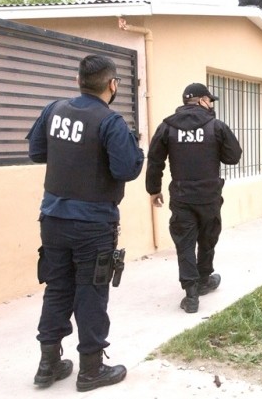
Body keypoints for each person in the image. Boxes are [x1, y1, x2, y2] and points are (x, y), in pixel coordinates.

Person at [26, 54, 144, 392]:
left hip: (52, 219)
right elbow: (126, 170)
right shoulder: (111, 122)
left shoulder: (53, 110)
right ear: (112, 84)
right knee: (91, 292)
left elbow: (37, 152)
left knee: (57, 288)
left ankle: (48, 365)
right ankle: (91, 370)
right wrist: (135, 150)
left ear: (79, 81)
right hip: (92, 225)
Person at [146, 83, 242, 314]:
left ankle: (191, 295)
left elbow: (155, 161)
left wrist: (154, 190)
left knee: (185, 243)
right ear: (201, 101)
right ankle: (203, 279)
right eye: (210, 101)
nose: (211, 105)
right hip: (209, 196)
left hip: (181, 196)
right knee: (207, 239)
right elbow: (233, 156)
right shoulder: (216, 126)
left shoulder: (167, 126)